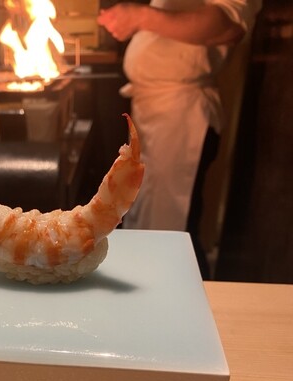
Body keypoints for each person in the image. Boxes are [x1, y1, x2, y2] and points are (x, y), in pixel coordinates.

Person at [97, 0, 262, 277]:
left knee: (174, 226)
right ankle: (146, 290)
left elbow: (226, 25)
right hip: (154, 113)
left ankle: (187, 297)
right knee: (146, 218)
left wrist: (140, 16)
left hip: (182, 116)